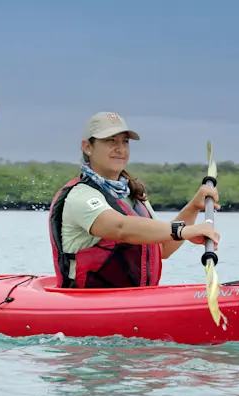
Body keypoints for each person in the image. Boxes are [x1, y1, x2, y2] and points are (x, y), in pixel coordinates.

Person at [48, 111, 222, 289]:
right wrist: (184, 230)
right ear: (87, 147)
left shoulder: (132, 194)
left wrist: (194, 207)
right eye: (110, 141)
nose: (120, 149)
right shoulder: (80, 196)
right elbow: (120, 228)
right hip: (89, 303)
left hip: (133, 299)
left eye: (125, 142)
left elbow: (163, 248)